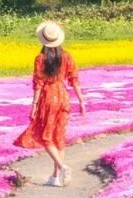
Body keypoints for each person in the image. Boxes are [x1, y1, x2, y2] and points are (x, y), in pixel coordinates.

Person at [13, 20, 85, 187]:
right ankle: (55, 177)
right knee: (59, 137)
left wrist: (34, 105)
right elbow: (74, 79)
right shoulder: (66, 56)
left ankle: (62, 167)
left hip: (48, 97)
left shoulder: (41, 58)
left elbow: (38, 83)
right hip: (63, 97)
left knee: (45, 136)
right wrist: (81, 100)